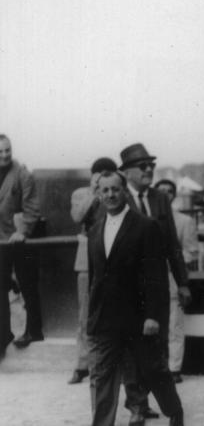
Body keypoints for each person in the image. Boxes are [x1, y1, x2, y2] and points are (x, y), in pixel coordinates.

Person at [86, 171, 184, 426]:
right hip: (105, 319)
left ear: (125, 192)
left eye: (115, 189)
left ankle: (174, 411)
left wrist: (153, 315)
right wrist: (92, 316)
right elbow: (95, 278)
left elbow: (155, 276)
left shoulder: (145, 226)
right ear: (98, 194)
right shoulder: (95, 230)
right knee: (101, 377)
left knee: (152, 371)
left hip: (138, 317)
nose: (110, 195)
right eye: (104, 190)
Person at [118, 143, 191, 420]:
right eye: (142, 166)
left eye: (151, 165)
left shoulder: (161, 198)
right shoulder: (119, 197)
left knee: (155, 348)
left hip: (158, 287)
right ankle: (137, 405)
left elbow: (172, 243)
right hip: (128, 290)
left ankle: (149, 401)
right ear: (127, 172)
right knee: (131, 348)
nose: (149, 170)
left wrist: (182, 282)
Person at [67, 157, 117, 384]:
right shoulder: (81, 193)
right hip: (87, 260)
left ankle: (112, 364)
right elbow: (77, 216)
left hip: (112, 257)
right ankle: (82, 364)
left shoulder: (115, 192)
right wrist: (94, 192)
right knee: (85, 314)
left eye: (109, 173)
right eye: (100, 173)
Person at [154, 179, 202, 382]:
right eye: (161, 191)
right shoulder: (146, 218)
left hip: (173, 277)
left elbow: (192, 251)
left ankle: (174, 368)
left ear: (174, 195)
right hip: (150, 279)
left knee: (175, 324)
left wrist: (172, 259)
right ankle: (156, 366)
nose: (165, 194)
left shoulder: (184, 221)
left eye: (169, 191)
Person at [0, 134, 42, 358]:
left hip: (19, 238)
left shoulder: (22, 174)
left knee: (27, 284)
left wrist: (23, 231)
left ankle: (33, 331)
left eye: (8, 150)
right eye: (0, 152)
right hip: (0, 241)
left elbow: (32, 207)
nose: (5, 155)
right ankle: (2, 334)